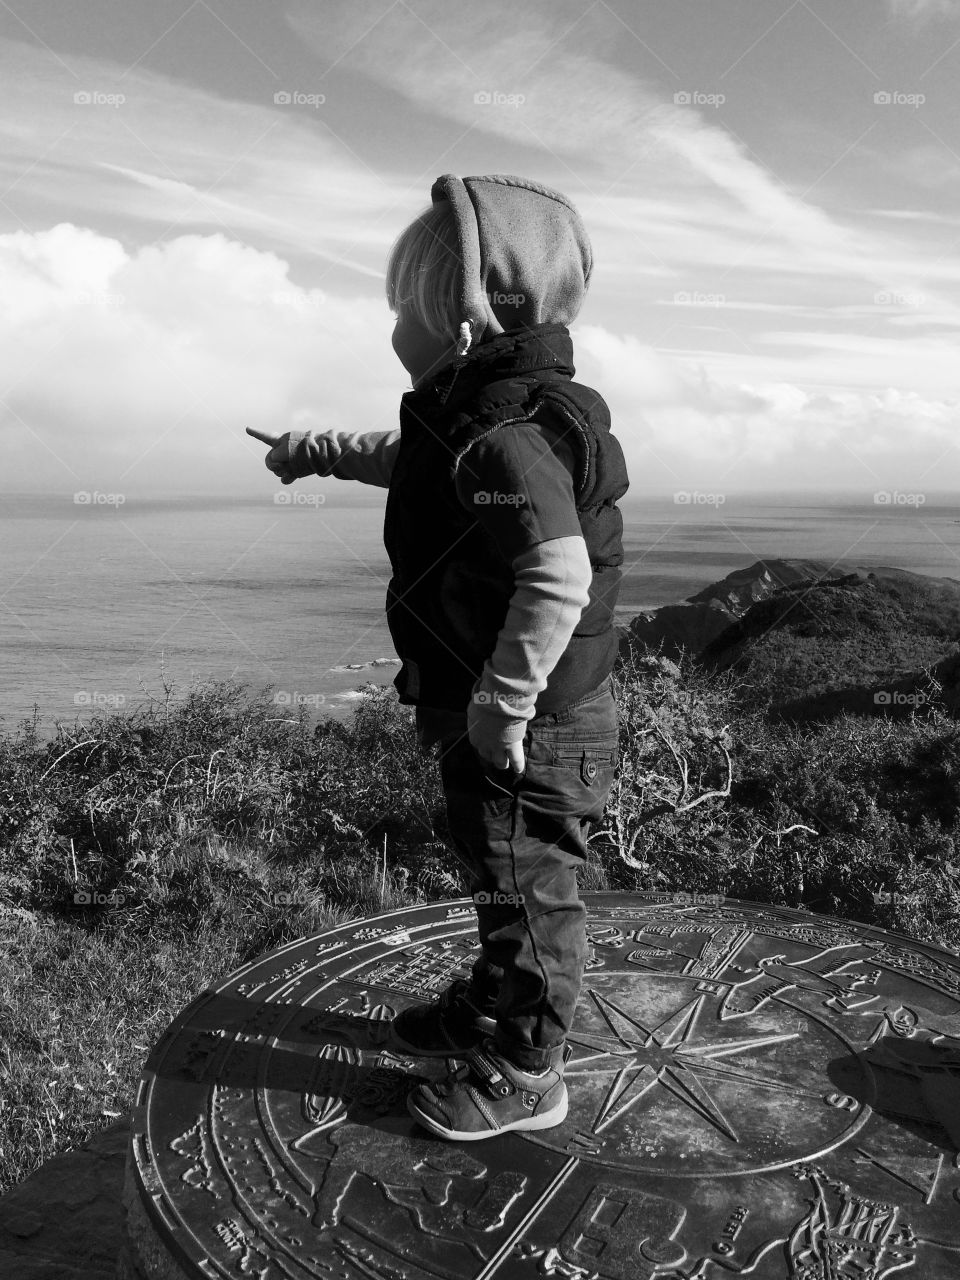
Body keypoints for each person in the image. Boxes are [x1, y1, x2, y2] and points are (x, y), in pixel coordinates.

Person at [247, 173, 629, 1141]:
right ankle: (493, 1003)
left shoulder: (507, 435)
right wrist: (316, 447)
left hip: (531, 719)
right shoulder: (470, 416)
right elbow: (408, 454)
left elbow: (558, 575)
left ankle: (529, 1068)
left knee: (532, 886)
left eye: (405, 307)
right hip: (501, 706)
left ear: (464, 318)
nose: (393, 327)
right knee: (496, 866)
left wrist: (502, 704)